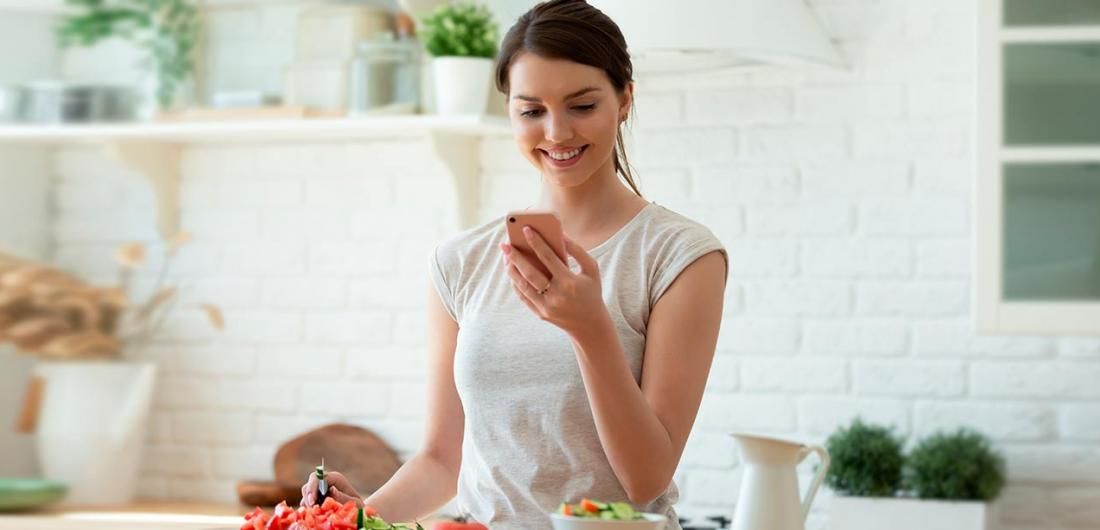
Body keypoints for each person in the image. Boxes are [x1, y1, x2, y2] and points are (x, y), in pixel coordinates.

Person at [301, 1, 727, 528]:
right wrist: (356, 517)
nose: (557, 132)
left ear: (624, 100)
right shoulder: (460, 262)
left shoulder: (679, 256)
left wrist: (591, 330)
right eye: (531, 111)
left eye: (582, 105)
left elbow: (647, 479)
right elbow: (441, 461)